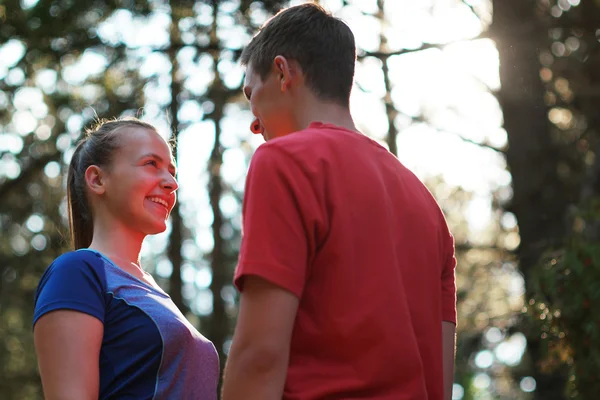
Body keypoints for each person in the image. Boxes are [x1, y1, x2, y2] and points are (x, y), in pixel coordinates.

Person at [221, 3, 457, 400]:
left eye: (251, 96)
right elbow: (441, 379)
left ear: (283, 72)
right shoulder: (427, 207)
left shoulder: (285, 163)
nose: (254, 122)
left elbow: (259, 356)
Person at [33, 118, 219, 400]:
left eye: (171, 171)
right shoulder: (76, 274)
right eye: (151, 164)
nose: (171, 183)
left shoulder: (154, 292)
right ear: (97, 179)